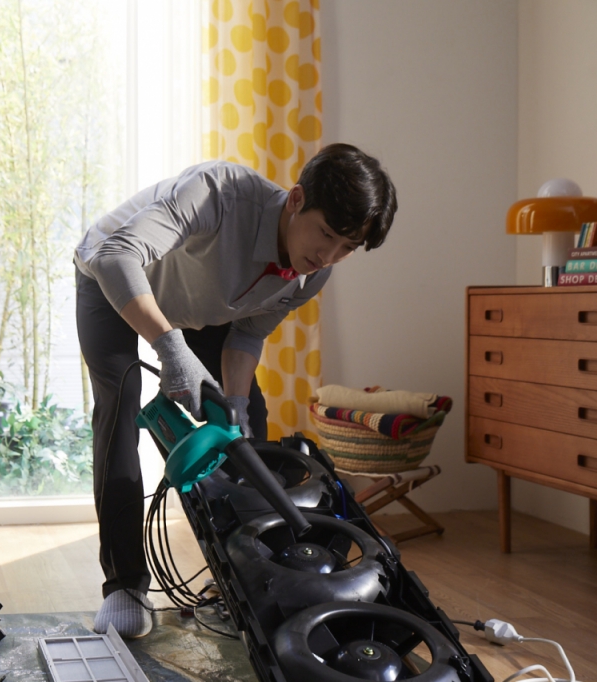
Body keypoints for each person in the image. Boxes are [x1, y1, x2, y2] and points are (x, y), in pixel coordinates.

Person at [74, 143, 397, 638]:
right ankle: (125, 585)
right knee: (120, 407)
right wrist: (170, 349)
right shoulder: (218, 195)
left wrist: (238, 410)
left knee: (247, 428)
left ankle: (249, 575)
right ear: (295, 200)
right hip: (112, 279)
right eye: (326, 234)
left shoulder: (314, 271)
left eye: (347, 248)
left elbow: (245, 334)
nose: (328, 256)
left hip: (200, 311)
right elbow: (116, 254)